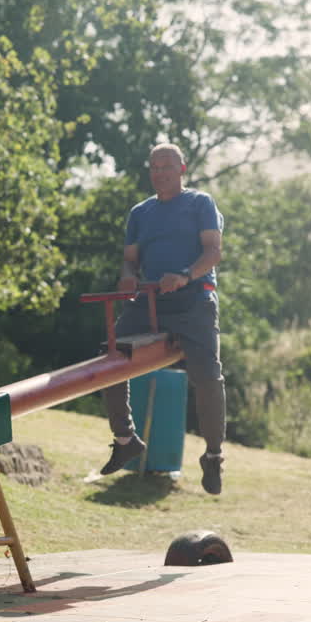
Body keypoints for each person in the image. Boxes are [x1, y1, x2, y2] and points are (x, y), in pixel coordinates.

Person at [98, 143, 227, 494]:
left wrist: (185, 275)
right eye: (154, 167)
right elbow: (130, 260)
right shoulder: (140, 213)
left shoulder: (200, 203)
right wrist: (127, 275)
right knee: (110, 355)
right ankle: (125, 438)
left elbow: (213, 251)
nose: (160, 173)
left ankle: (213, 456)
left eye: (167, 166)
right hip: (149, 300)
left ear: (182, 169)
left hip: (193, 300)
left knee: (207, 376)